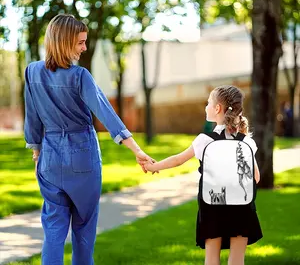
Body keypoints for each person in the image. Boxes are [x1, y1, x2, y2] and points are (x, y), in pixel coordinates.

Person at [24, 14, 153, 265]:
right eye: (80, 43)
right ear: (64, 42)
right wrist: (136, 150)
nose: (84, 48)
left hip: (49, 158)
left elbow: (32, 118)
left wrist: (37, 155)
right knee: (83, 229)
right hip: (82, 156)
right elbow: (107, 114)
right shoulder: (79, 76)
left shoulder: (32, 72)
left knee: (53, 230)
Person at [145, 85, 262, 265]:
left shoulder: (205, 140)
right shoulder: (246, 141)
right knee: (237, 259)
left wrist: (154, 167)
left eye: (208, 103)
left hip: (212, 207)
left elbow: (178, 160)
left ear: (217, 109)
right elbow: (256, 177)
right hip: (241, 206)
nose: (206, 107)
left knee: (211, 259)